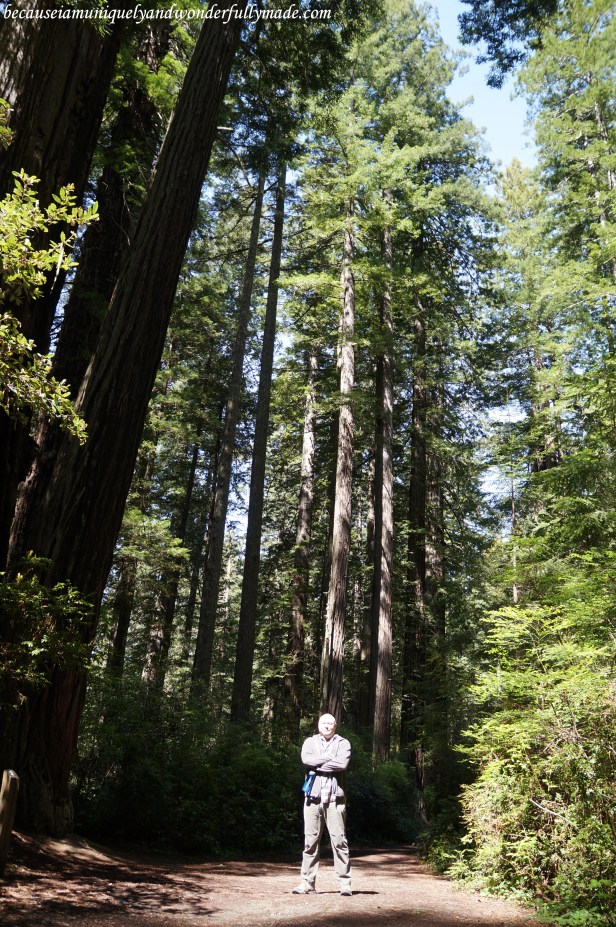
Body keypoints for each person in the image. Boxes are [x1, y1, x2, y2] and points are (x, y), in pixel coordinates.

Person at [292, 713, 352, 896]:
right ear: (319, 725)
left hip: (335, 800)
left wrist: (317, 763)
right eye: (324, 723)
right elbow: (306, 761)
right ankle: (307, 883)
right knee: (310, 843)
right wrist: (328, 758)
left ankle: (345, 884)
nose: (327, 726)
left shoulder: (343, 743)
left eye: (330, 723)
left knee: (339, 842)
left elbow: (342, 764)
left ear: (335, 725)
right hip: (312, 799)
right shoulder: (310, 742)